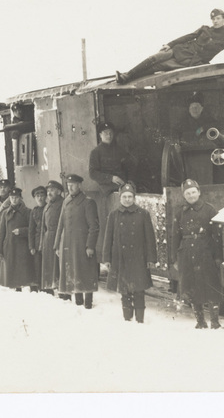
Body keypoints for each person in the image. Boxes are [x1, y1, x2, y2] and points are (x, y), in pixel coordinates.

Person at [116, 8, 224, 83]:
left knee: (158, 67)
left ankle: (128, 78)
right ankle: (127, 75)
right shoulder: (205, 29)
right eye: (213, 19)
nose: (215, 21)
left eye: (218, 18)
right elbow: (188, 36)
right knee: (154, 58)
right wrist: (170, 44)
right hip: (181, 49)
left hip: (191, 61)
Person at [172, 179, 224, 329]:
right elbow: (175, 236)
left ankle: (215, 321)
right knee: (193, 286)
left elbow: (217, 236)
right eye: (188, 193)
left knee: (212, 286)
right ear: (184, 195)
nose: (191, 195)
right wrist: (175, 258)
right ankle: (200, 321)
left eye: (193, 192)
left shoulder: (210, 210)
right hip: (187, 254)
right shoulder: (180, 212)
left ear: (199, 192)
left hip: (206, 253)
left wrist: (218, 257)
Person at [102, 183, 157, 322]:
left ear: (134, 198)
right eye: (124, 197)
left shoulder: (143, 214)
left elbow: (150, 238)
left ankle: (139, 320)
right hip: (120, 258)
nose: (127, 199)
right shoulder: (114, 215)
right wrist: (106, 258)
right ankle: (127, 319)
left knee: (139, 290)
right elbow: (108, 238)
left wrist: (151, 258)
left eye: (130, 196)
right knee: (124, 290)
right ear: (120, 198)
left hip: (139, 258)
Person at [89, 121, 137, 253]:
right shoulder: (96, 152)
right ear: (100, 135)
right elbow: (92, 173)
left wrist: (131, 181)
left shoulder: (120, 150)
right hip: (106, 190)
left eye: (110, 133)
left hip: (122, 188)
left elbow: (130, 167)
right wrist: (111, 178)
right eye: (105, 133)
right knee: (109, 221)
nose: (108, 135)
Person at [54, 174, 100, 309]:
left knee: (85, 272)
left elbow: (94, 227)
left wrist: (90, 246)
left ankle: (88, 303)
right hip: (68, 245)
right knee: (74, 272)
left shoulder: (88, 202)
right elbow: (60, 224)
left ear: (79, 185)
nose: (70, 187)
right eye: (68, 185)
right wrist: (57, 245)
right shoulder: (66, 201)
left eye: (73, 184)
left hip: (82, 245)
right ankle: (78, 303)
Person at [0, 187, 37, 291]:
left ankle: (33, 290)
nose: (14, 200)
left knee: (26, 270)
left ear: (20, 198)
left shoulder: (28, 212)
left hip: (24, 246)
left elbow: (33, 229)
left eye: (16, 197)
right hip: (10, 246)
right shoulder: (5, 213)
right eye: (12, 198)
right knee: (13, 271)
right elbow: (1, 232)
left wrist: (21, 231)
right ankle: (17, 291)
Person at [39, 180, 65, 296]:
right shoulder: (47, 205)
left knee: (58, 264)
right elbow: (43, 227)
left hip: (57, 237)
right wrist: (41, 243)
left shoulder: (63, 204)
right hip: (47, 238)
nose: (49, 193)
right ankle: (49, 286)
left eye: (52, 190)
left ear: (59, 192)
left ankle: (61, 288)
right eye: (48, 190)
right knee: (49, 264)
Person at [27, 186, 47, 292]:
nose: (40, 198)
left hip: (47, 242)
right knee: (37, 266)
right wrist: (31, 246)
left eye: (42, 195)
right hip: (37, 243)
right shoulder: (34, 211)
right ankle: (39, 286)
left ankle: (48, 288)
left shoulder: (49, 208)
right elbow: (31, 230)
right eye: (37, 196)